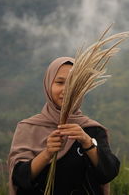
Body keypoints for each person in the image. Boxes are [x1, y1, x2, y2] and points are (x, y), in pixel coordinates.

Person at [8, 57, 120, 195]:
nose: (67, 89)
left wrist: (87, 142)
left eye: (74, 84)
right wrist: (47, 153)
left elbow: (108, 172)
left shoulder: (91, 129)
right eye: (60, 82)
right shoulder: (29, 127)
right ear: (48, 85)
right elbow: (18, 178)